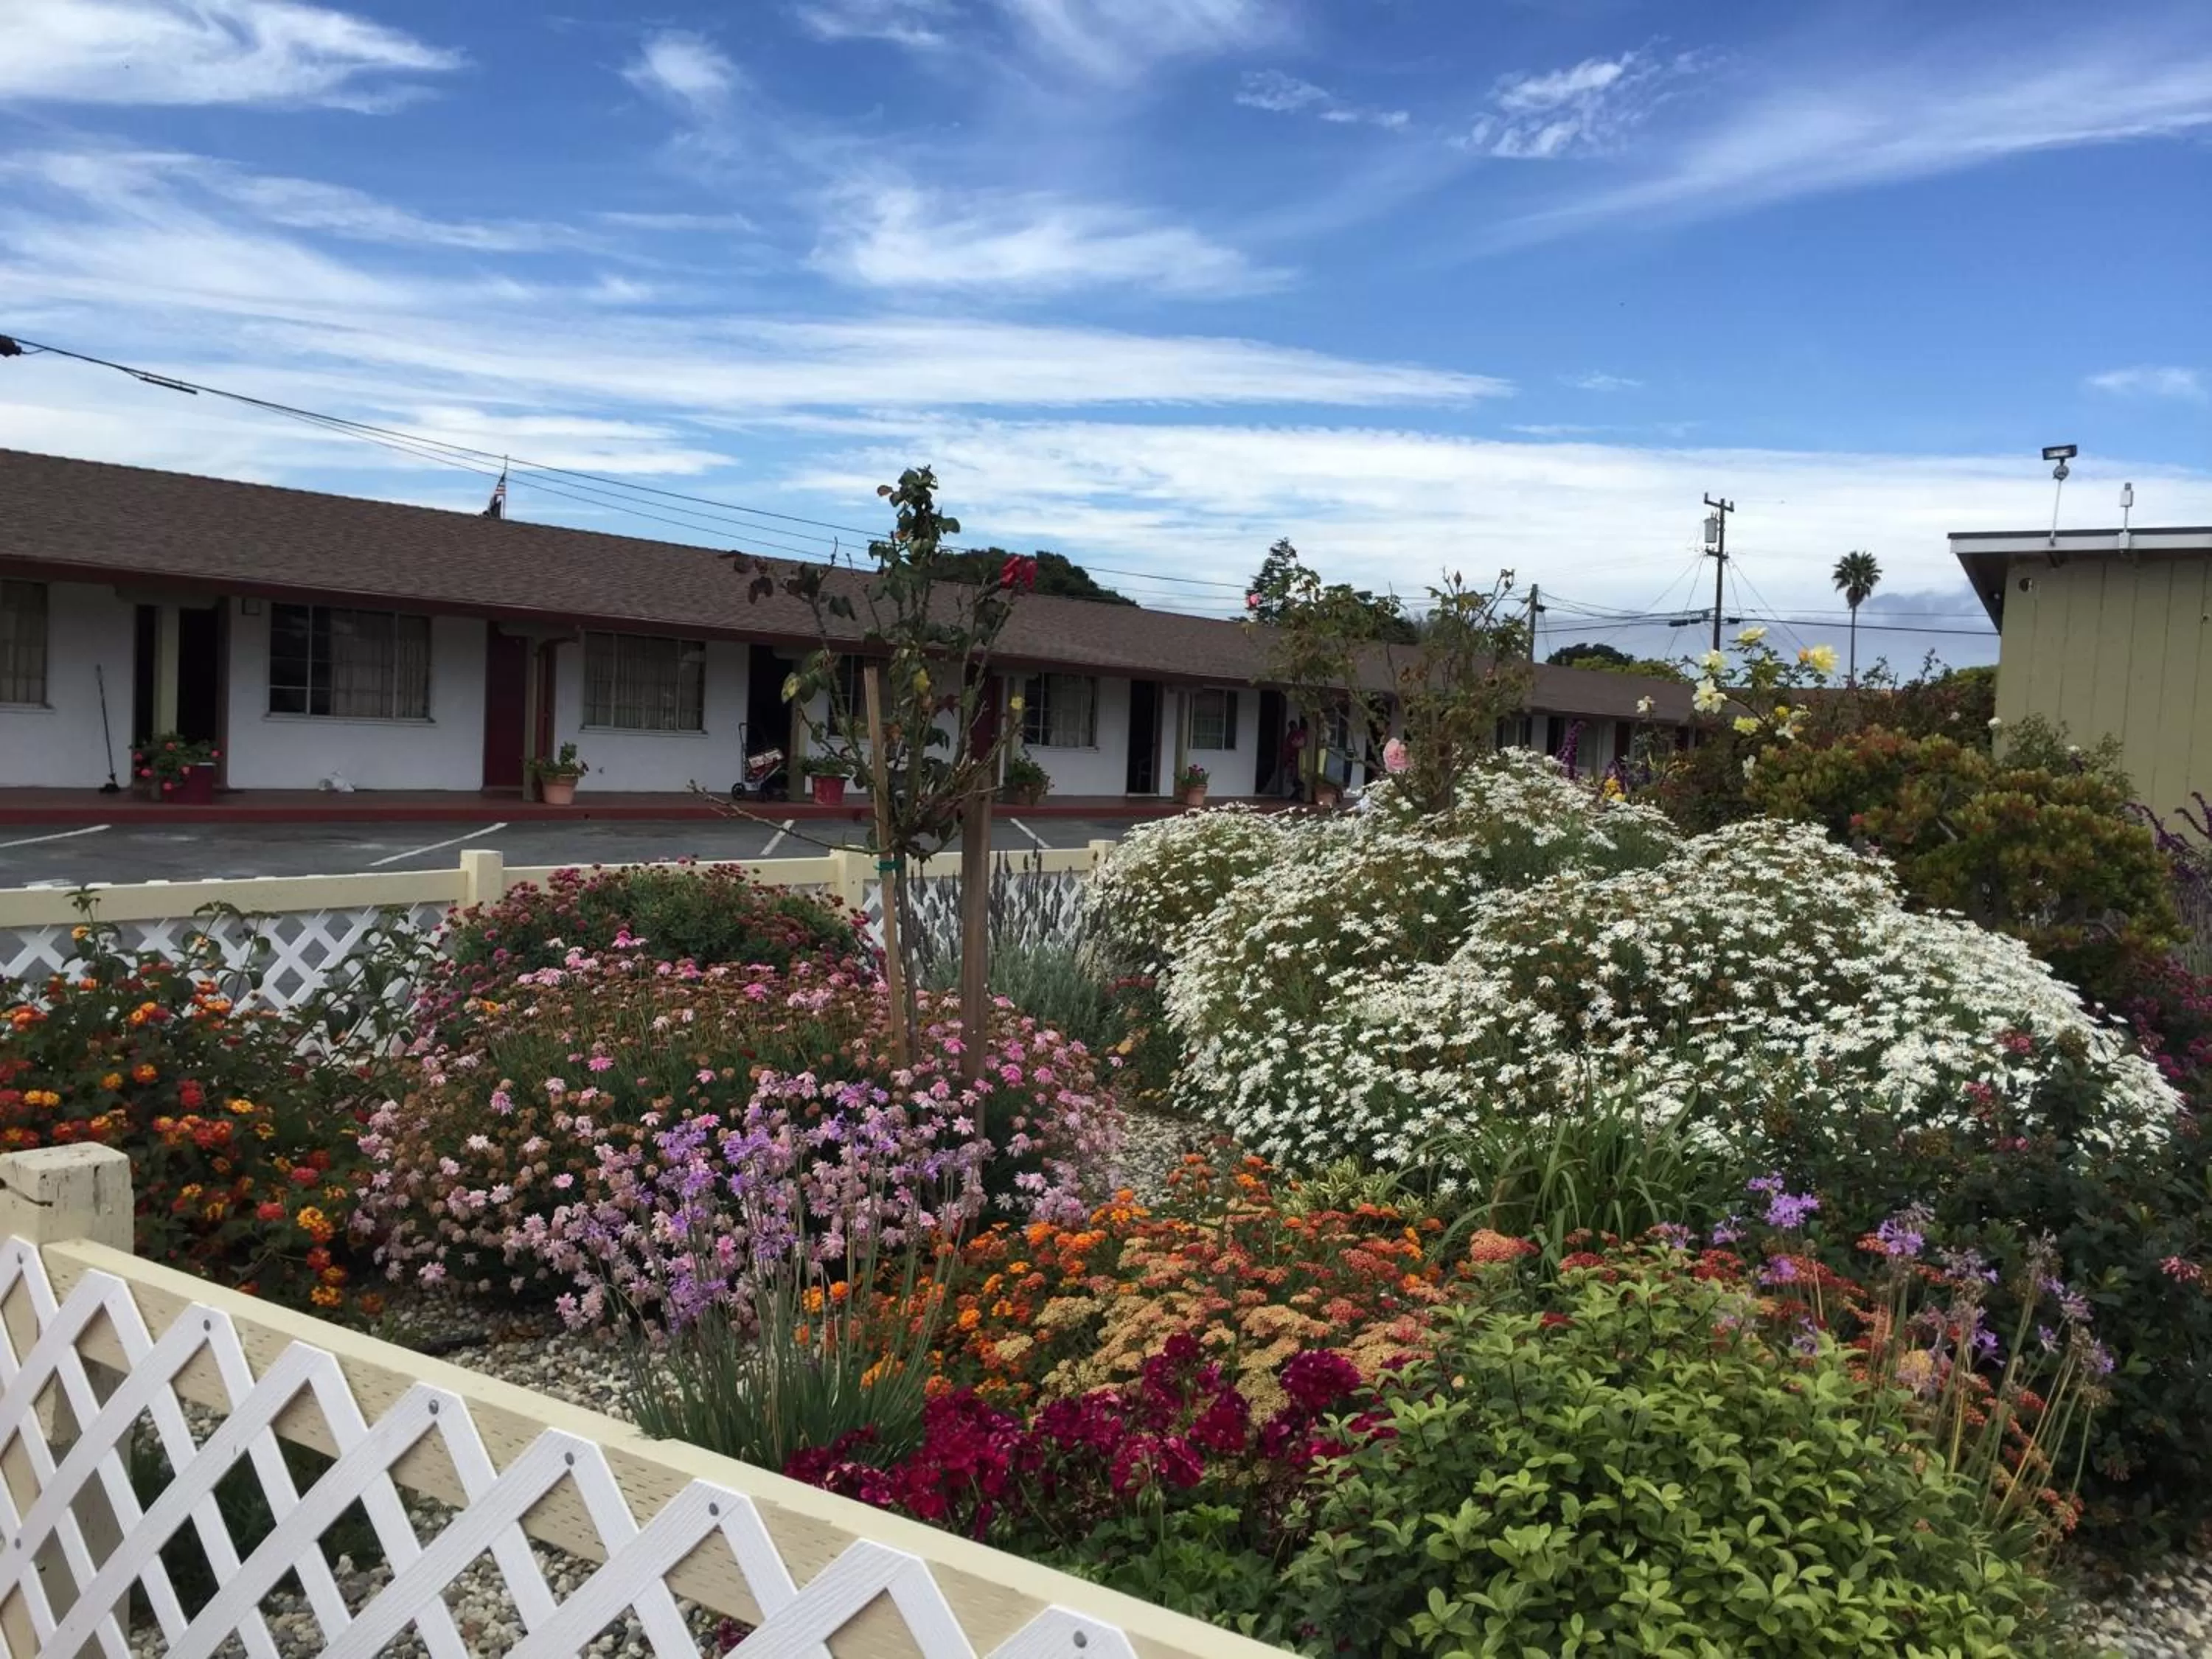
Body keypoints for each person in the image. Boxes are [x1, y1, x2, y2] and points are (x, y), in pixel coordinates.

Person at [1280, 718, 1308, 800]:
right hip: (1291, 759)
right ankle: (1292, 794)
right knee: (1292, 777)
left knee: (1296, 777)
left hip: (1297, 759)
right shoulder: (1291, 735)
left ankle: (1294, 794)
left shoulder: (1299, 734)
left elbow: (1298, 744)